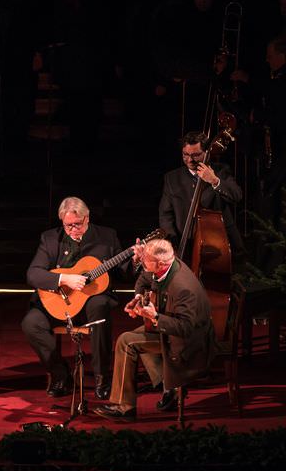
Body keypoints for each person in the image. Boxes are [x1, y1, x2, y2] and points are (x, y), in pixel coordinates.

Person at [21, 197, 135, 399]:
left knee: (99, 306)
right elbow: (33, 274)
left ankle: (102, 378)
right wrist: (64, 279)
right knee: (31, 324)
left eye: (77, 224)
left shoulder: (106, 236)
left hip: (91, 303)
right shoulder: (50, 238)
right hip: (60, 303)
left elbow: (123, 272)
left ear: (87, 218)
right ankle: (61, 375)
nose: (73, 229)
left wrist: (135, 261)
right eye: (68, 225)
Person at [95, 238, 212, 420]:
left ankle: (125, 407)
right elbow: (143, 280)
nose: (142, 262)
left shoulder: (183, 287)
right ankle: (169, 387)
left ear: (160, 264)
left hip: (188, 343)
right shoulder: (166, 267)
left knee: (126, 342)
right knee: (134, 336)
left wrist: (155, 317)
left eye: (145, 260)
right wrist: (138, 300)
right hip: (170, 330)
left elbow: (186, 329)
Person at [158, 131, 245, 260]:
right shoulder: (172, 178)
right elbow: (165, 214)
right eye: (185, 154)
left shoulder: (221, 171)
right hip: (185, 245)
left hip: (220, 243)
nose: (190, 160)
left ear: (207, 152)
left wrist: (214, 180)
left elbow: (237, 196)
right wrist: (171, 241)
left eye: (196, 155)